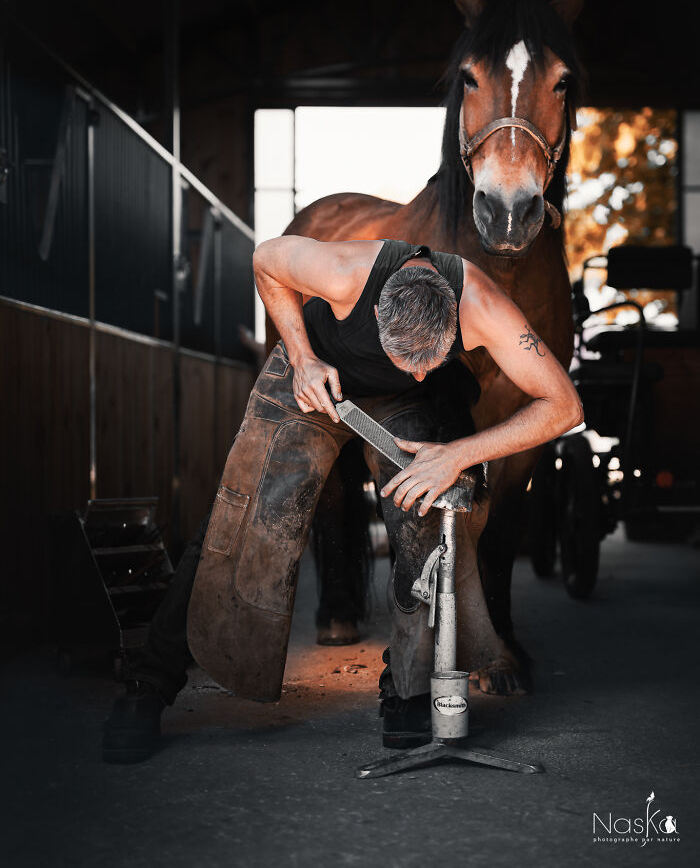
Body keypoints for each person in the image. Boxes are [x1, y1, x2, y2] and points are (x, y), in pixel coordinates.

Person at [103, 237, 582, 763]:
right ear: (377, 310)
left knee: (428, 514)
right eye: (409, 358)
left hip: (405, 408)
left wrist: (459, 454)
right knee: (243, 520)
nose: (421, 368)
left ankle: (407, 687)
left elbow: (564, 405)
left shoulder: (481, 304)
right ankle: (148, 683)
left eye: (433, 358)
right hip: (313, 380)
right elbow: (265, 260)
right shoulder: (342, 273)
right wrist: (303, 357)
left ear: (456, 318)